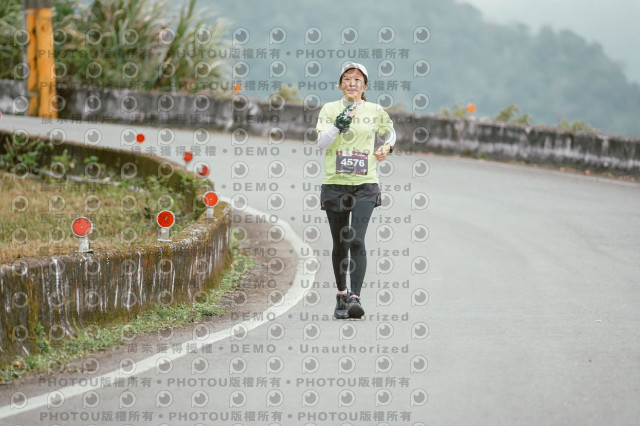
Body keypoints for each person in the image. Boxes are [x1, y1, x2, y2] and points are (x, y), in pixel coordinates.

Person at [315, 62, 396, 319]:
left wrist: (387, 147)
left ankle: (355, 298)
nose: (352, 83)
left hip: (365, 184)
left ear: (365, 86)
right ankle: (341, 294)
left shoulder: (375, 110)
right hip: (335, 183)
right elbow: (321, 143)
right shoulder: (330, 109)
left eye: (358, 79)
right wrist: (337, 125)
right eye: (347, 79)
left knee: (357, 239)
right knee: (340, 242)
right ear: (340, 85)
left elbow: (391, 133)